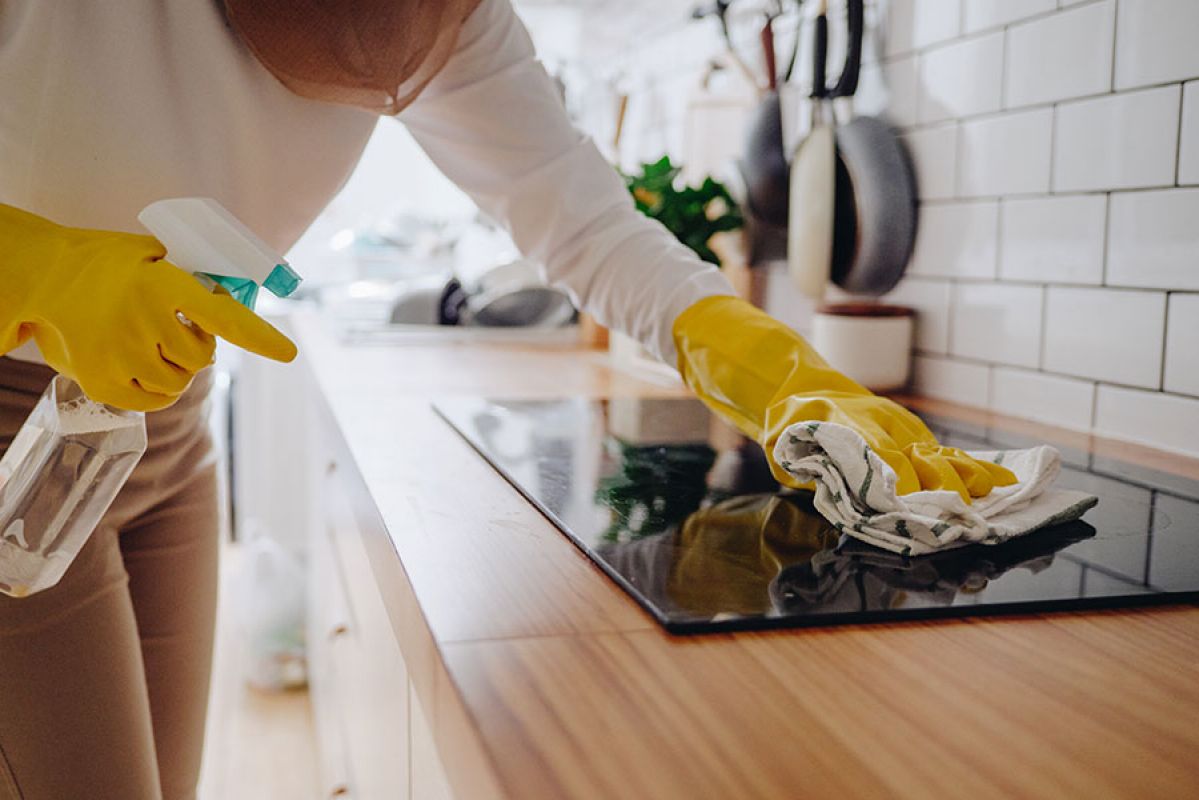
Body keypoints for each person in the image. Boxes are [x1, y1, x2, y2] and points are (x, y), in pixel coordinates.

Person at [0, 1, 1014, 797]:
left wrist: (780, 368)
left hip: (167, 420)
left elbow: (589, 229)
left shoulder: (457, 23)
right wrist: (42, 271)